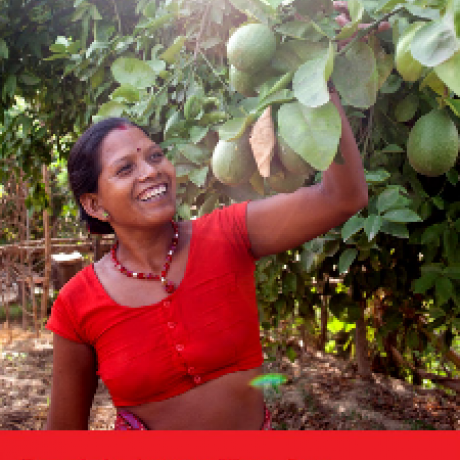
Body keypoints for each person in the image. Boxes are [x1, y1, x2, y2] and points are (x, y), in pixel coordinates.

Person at [45, 82, 367, 430]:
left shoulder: (228, 234)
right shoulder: (76, 304)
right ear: (94, 205)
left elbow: (342, 197)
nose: (151, 171)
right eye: (125, 169)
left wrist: (321, 86)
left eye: (155, 156)